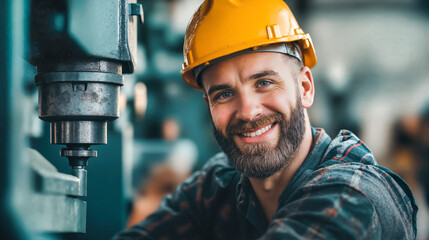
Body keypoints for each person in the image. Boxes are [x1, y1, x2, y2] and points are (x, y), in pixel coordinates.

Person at [114, 0, 418, 239]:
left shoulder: (354, 195)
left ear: (305, 88)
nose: (247, 112)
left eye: (264, 83)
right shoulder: (217, 186)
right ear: (207, 104)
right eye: (223, 94)